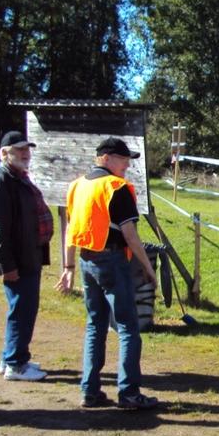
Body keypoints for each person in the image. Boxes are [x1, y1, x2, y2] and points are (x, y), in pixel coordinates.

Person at [55, 137, 161, 411]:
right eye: (123, 159)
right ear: (106, 158)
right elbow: (130, 235)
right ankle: (129, 393)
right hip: (112, 260)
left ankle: (89, 391)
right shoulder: (116, 187)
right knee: (128, 328)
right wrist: (149, 269)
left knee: (95, 326)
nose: (127, 165)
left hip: (86, 259)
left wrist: (67, 267)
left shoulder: (78, 186)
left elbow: (70, 228)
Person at [0, 131, 53, 381]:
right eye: (19, 150)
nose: (26, 154)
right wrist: (7, 265)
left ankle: (11, 356)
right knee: (22, 310)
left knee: (23, 309)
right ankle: (16, 364)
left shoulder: (18, 178)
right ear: (4, 153)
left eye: (27, 149)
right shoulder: (0, 181)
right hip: (18, 260)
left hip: (29, 255)